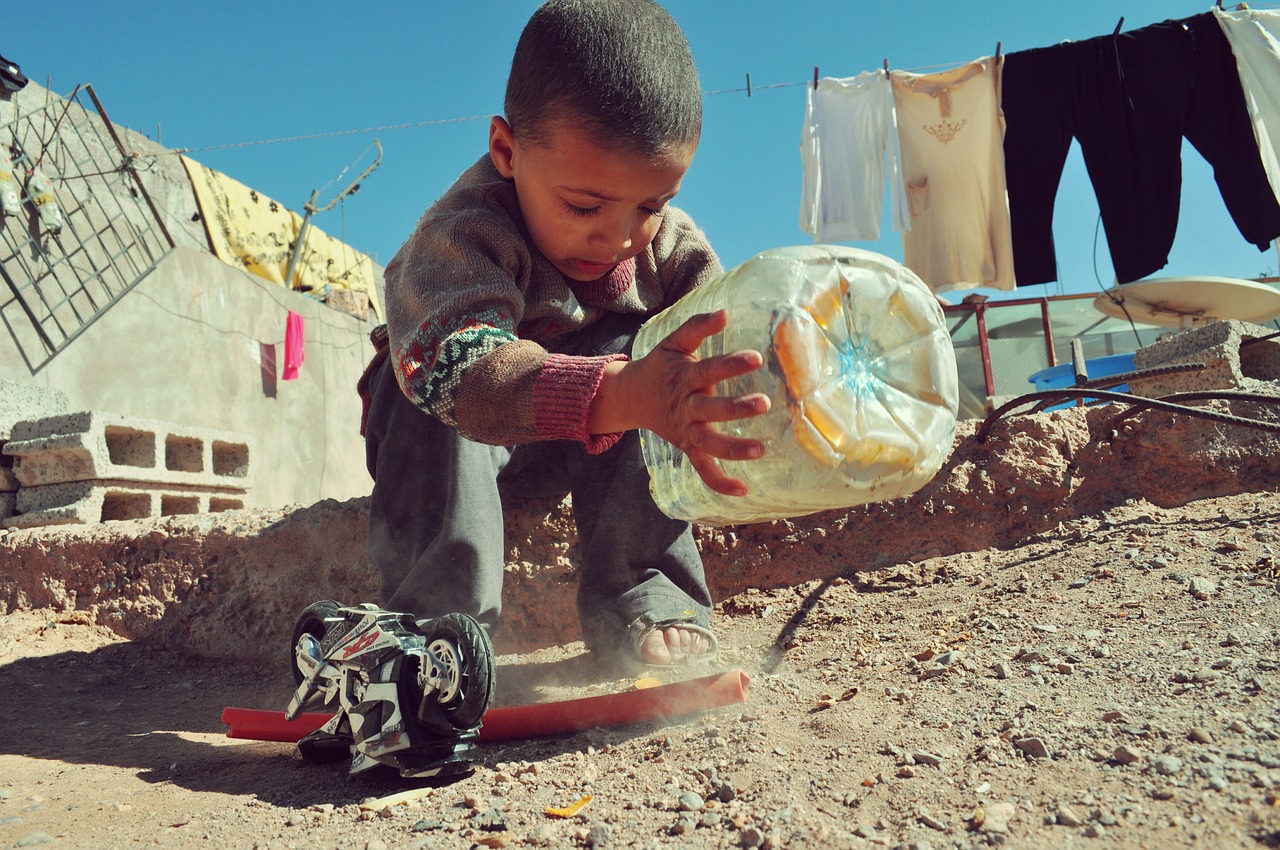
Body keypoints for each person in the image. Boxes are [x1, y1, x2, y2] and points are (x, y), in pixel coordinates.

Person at [359, 0, 769, 667]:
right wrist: (621, 390)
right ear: (507, 151)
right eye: (583, 206)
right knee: (430, 380)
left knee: (663, 360)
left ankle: (645, 594)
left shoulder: (671, 250)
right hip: (448, 431)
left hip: (576, 448)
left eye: (650, 205)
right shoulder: (462, 236)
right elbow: (460, 374)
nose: (617, 237)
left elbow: (723, 348)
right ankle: (433, 629)